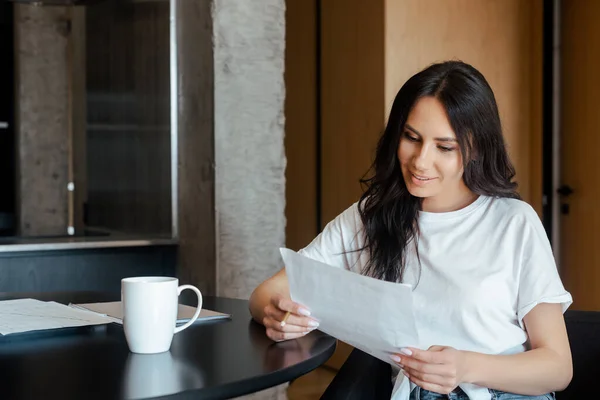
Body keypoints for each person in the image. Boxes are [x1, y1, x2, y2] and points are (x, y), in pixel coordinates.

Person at [249, 61, 573, 400]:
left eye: (444, 147)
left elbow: (557, 367)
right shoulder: (374, 216)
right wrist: (276, 313)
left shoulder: (513, 223)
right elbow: (268, 292)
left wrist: (465, 366)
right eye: (411, 137)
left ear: (475, 148)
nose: (420, 161)